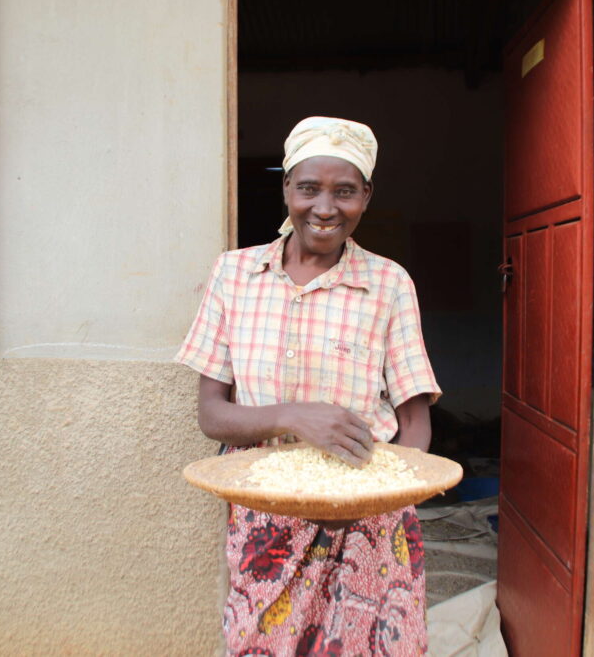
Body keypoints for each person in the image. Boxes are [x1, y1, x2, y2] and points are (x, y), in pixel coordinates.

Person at [176, 116, 441, 656]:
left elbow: (414, 423)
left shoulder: (388, 284)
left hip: (369, 510)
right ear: (286, 191)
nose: (325, 207)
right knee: (264, 642)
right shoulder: (234, 275)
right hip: (267, 509)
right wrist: (295, 416)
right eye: (308, 189)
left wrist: (375, 498)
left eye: (344, 191)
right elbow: (211, 415)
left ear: (365, 197)